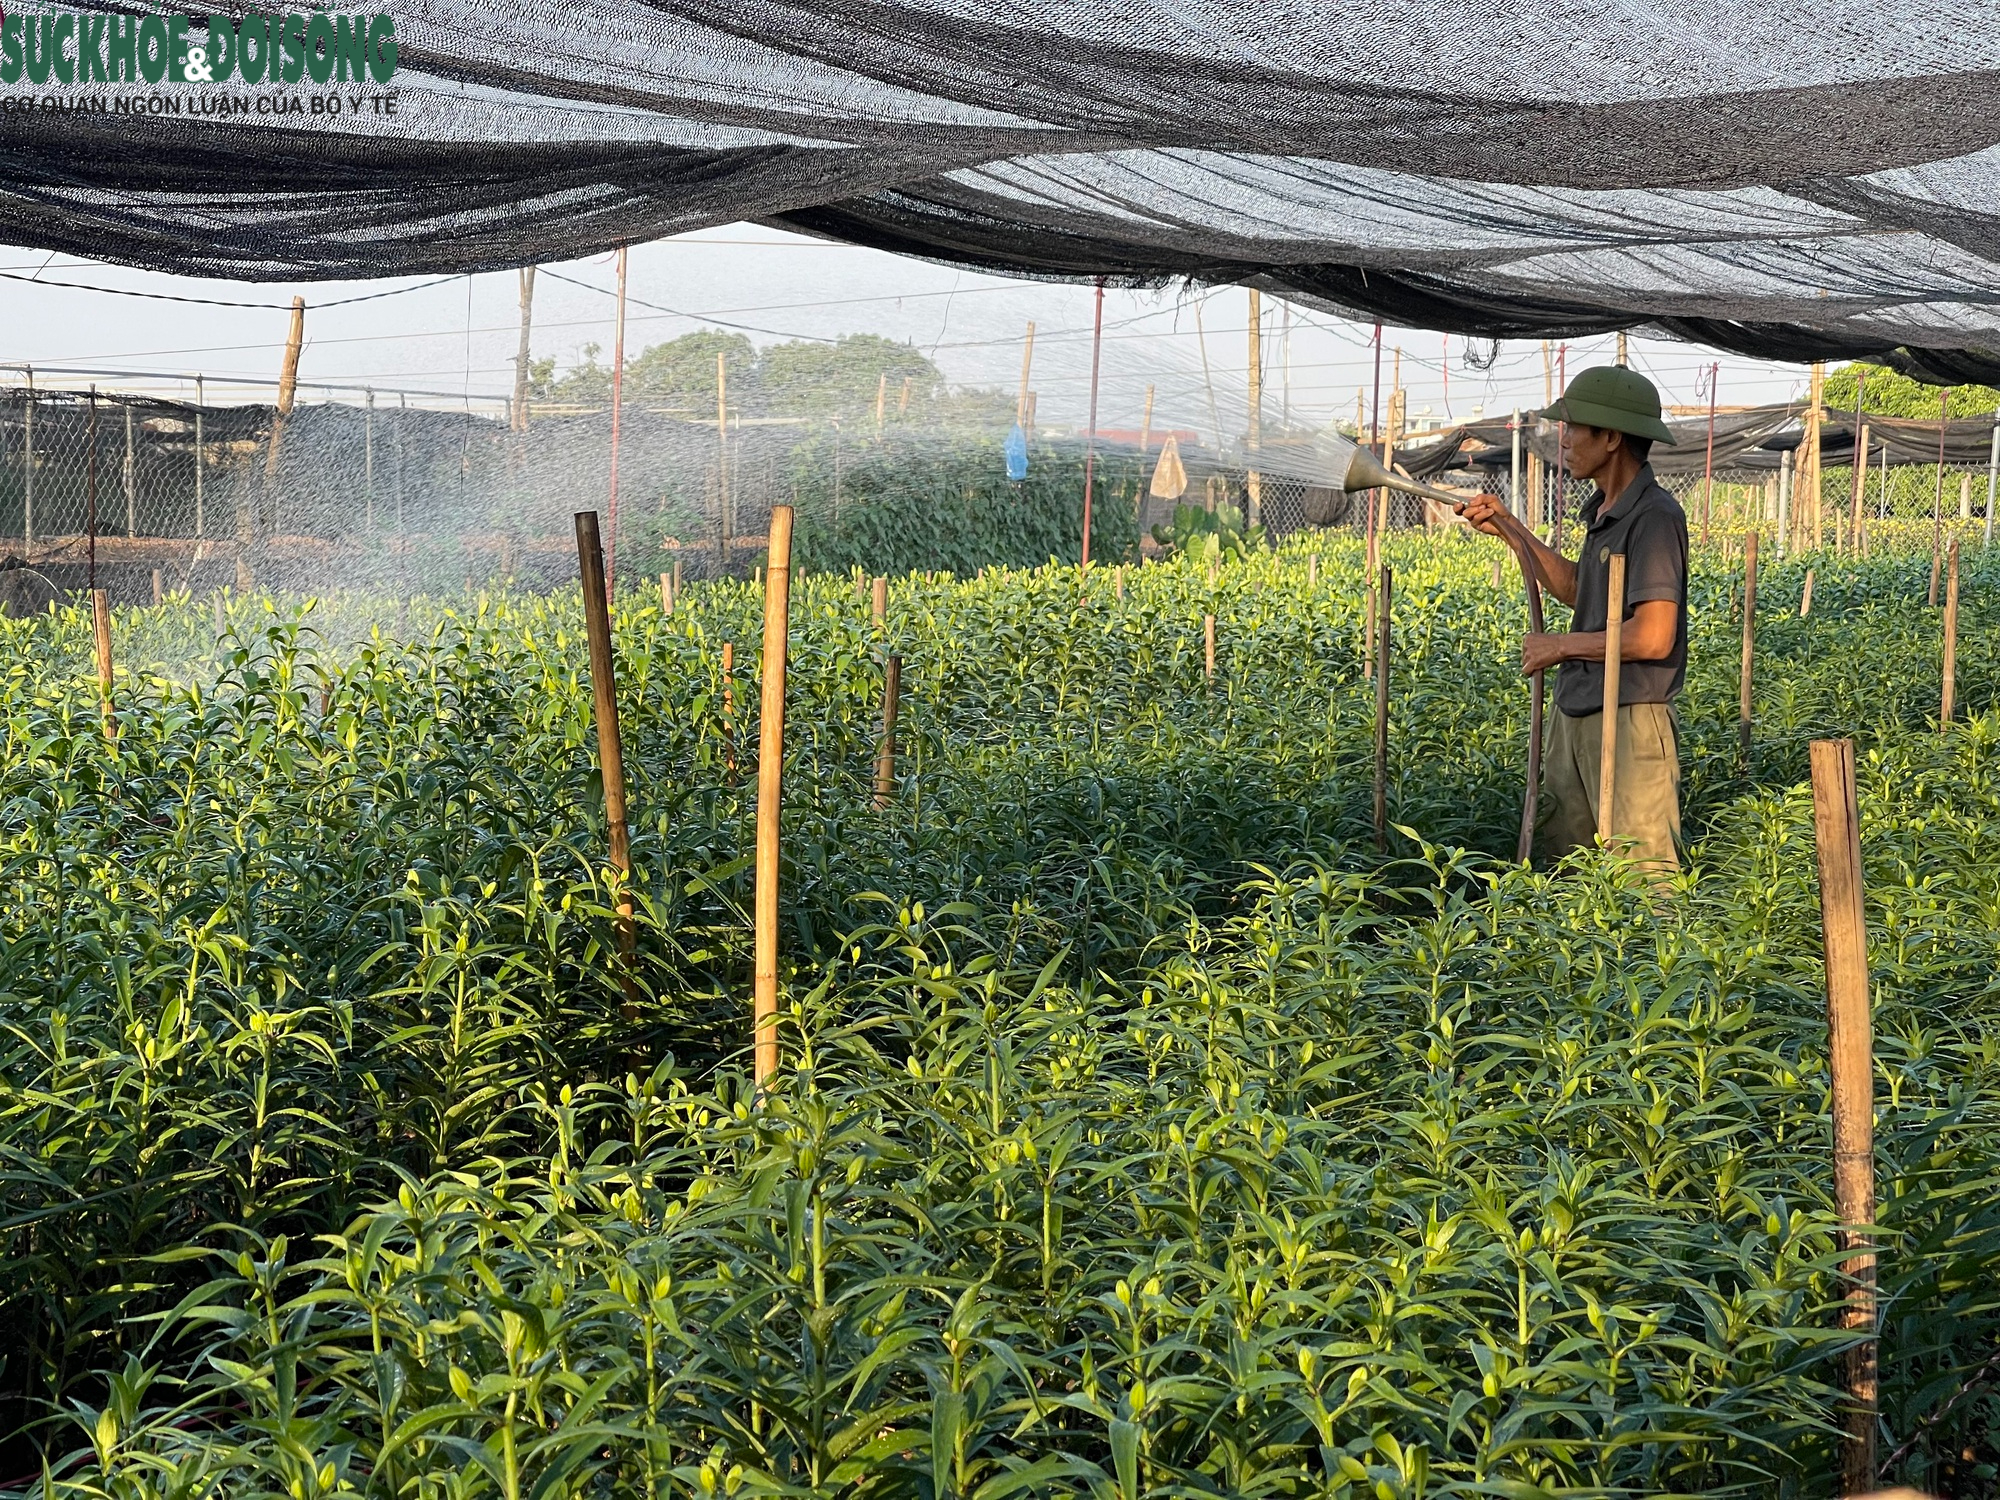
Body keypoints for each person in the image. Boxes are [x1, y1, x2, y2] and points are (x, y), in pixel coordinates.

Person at [1458, 366, 1687, 871]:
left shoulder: (1654, 517)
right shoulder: (1605, 511)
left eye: (1573, 428)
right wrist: (1510, 528)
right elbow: (1581, 593)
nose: (1563, 440)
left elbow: (1653, 636)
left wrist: (1560, 647)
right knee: (1567, 872)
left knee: (1642, 880)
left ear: (1609, 438)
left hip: (1629, 718)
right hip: (1579, 710)